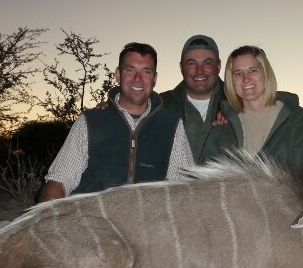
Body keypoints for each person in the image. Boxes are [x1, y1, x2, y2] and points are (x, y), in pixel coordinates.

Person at [38, 42, 194, 202]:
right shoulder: (90, 121)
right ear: (118, 74)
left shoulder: (172, 125)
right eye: (130, 70)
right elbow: (59, 182)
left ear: (154, 78)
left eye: (146, 71)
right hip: (92, 220)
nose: (138, 79)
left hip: (149, 223)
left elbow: (185, 187)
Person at [200, 45, 303, 172]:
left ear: (266, 73)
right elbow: (202, 185)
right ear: (231, 81)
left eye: (253, 70)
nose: (246, 79)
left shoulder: (302, 122)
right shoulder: (221, 131)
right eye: (238, 73)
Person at [160, 35, 226, 163]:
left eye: (207, 63)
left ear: (218, 66)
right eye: (191, 63)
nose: (199, 71)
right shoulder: (159, 105)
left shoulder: (240, 104)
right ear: (181, 68)